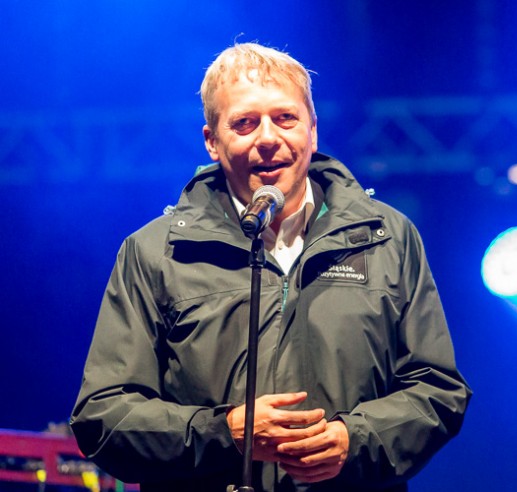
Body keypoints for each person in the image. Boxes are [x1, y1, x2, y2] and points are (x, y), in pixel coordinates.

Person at [70, 42, 471, 492]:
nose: (267, 138)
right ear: (212, 141)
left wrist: (354, 440)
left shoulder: (387, 238)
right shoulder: (155, 252)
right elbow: (103, 415)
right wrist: (224, 433)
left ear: (312, 131)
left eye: (285, 118)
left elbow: (437, 391)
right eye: (244, 122)